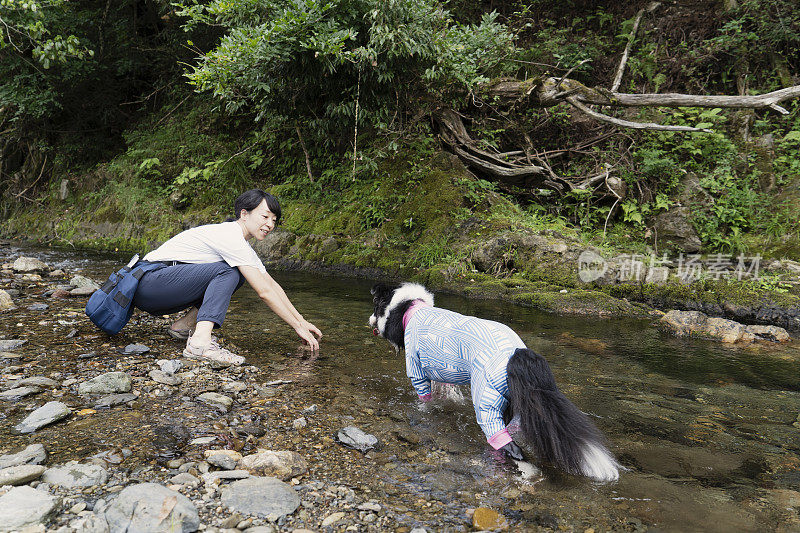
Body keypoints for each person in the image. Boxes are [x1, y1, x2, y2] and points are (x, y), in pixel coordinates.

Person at [132, 189, 322, 364]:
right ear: (244, 214)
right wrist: (296, 326)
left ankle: (183, 327)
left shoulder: (240, 244)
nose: (270, 224)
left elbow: (270, 285)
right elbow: (263, 292)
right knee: (229, 272)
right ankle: (200, 344)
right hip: (149, 282)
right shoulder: (230, 236)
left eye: (274, 220)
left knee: (236, 274)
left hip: (157, 285)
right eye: (265, 216)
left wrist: (301, 320)